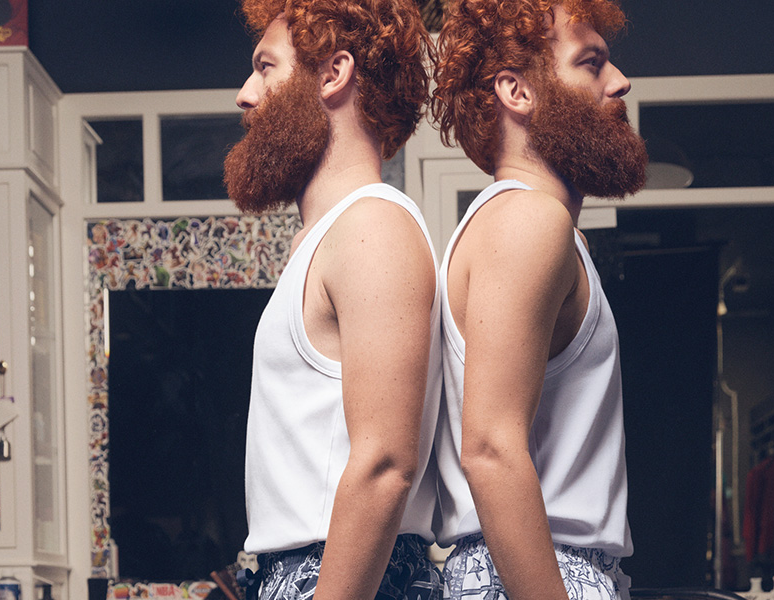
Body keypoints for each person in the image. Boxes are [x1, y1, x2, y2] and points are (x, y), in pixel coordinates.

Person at [428, 1, 648, 599]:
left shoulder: (520, 223)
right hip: (535, 573)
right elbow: (491, 449)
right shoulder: (528, 221)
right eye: (592, 63)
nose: (620, 81)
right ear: (516, 91)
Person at [223, 1, 442, 600]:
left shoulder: (373, 227)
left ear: (331, 75)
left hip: (342, 574)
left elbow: (384, 464)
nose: (245, 94)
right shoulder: (332, 237)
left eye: (265, 67)